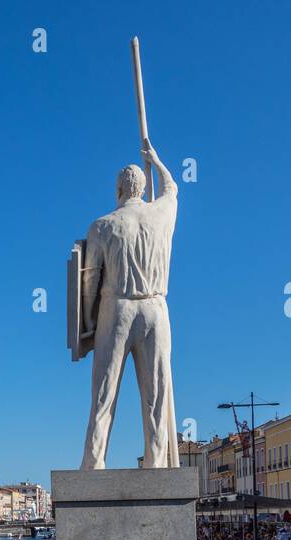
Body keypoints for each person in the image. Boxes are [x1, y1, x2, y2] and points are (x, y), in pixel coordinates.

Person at [77, 138, 180, 468]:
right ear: (142, 188)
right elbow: (172, 188)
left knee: (104, 393)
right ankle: (156, 460)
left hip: (117, 308)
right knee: (156, 395)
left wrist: (89, 325)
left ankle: (93, 462)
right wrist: (156, 158)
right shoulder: (161, 216)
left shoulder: (102, 225)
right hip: (155, 310)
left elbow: (89, 281)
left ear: (118, 190)